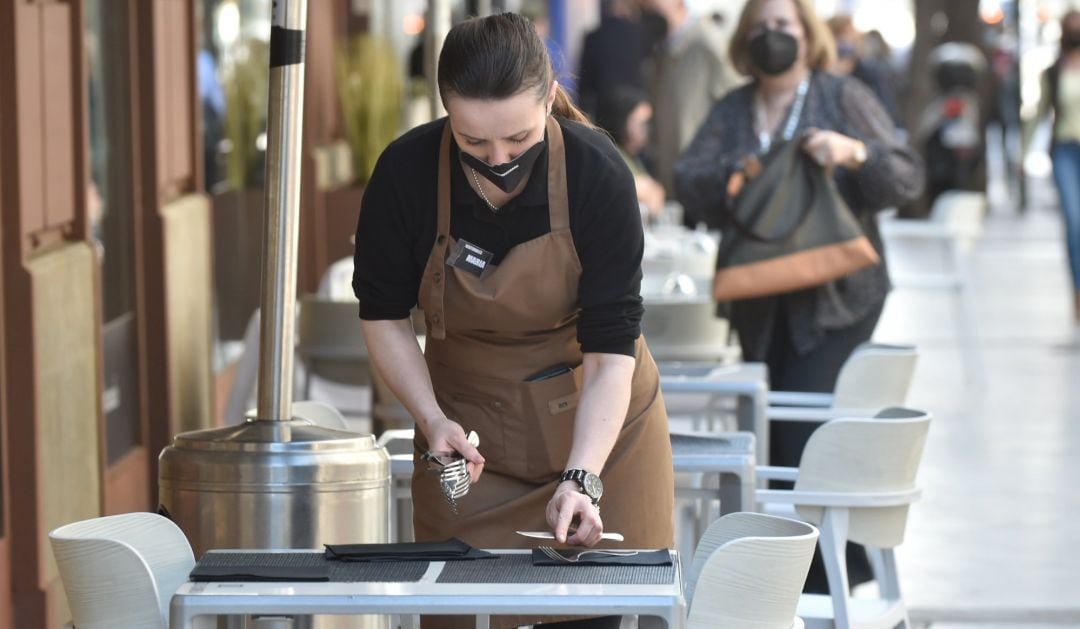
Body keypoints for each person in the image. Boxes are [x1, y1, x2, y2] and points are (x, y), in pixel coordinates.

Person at [352, 13, 674, 629]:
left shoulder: (597, 173)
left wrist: (584, 478)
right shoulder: (407, 174)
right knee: (456, 610)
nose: (498, 158)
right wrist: (430, 418)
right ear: (445, 109)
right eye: (474, 144)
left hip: (601, 427)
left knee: (599, 613)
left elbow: (611, 353)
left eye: (519, 140)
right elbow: (384, 316)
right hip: (465, 437)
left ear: (550, 97)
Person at [674, 0, 923, 592]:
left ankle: (822, 578)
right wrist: (736, 172)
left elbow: (905, 176)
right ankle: (796, 577)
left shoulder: (840, 97)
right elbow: (688, 178)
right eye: (759, 28)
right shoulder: (734, 110)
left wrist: (852, 152)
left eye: (783, 26)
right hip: (761, 305)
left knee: (800, 437)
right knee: (769, 431)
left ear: (807, 35)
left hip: (838, 300)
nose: (771, 37)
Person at [640, 0, 737, 226]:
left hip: (704, 192)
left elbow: (739, 104)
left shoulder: (707, 42)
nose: (646, 6)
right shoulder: (660, 51)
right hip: (671, 191)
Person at [1032, 10, 1080, 328]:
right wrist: (1023, 155)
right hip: (1064, 150)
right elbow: (1038, 112)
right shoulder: (1053, 71)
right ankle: (1078, 292)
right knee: (1074, 223)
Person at [594, 86, 666, 218]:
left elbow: (656, 192)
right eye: (641, 123)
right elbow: (637, 189)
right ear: (620, 121)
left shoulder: (635, 157)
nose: (647, 129)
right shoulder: (608, 155)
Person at [577, 0, 649, 118]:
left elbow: (584, 83)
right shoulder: (641, 34)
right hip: (636, 110)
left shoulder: (593, 37)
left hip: (605, 110)